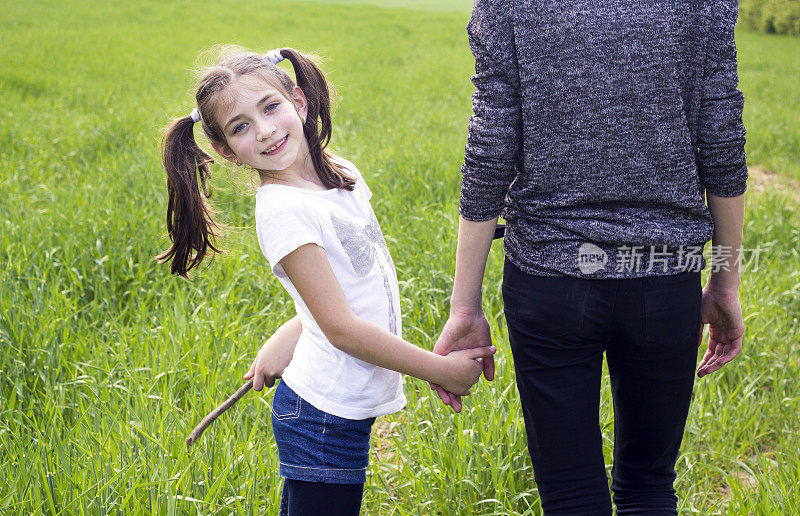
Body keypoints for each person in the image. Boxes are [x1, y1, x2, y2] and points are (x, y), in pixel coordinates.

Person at [432, 1, 747, 514]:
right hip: (666, 280)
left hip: (550, 280)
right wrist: (725, 283)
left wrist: (464, 308)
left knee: (572, 496)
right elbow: (723, 140)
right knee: (649, 488)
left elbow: (490, 148)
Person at [156, 46, 495, 516]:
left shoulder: (343, 177)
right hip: (320, 419)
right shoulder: (281, 211)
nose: (266, 130)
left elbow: (339, 291)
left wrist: (287, 335)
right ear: (224, 150)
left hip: (334, 411)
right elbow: (341, 328)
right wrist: (440, 371)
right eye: (241, 127)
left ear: (297, 101)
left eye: (270, 107)